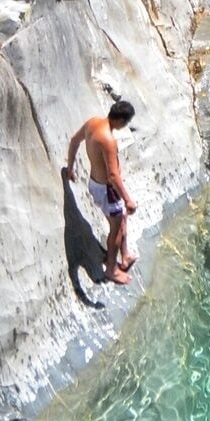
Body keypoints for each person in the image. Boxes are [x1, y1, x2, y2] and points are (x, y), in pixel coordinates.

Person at [65, 100, 139, 286]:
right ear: (121, 121)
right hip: (108, 190)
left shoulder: (93, 123)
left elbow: (74, 140)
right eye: (126, 123)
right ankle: (112, 270)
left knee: (122, 219)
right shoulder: (108, 140)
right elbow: (113, 176)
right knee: (116, 230)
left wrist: (70, 167)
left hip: (96, 183)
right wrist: (128, 199)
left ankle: (126, 255)